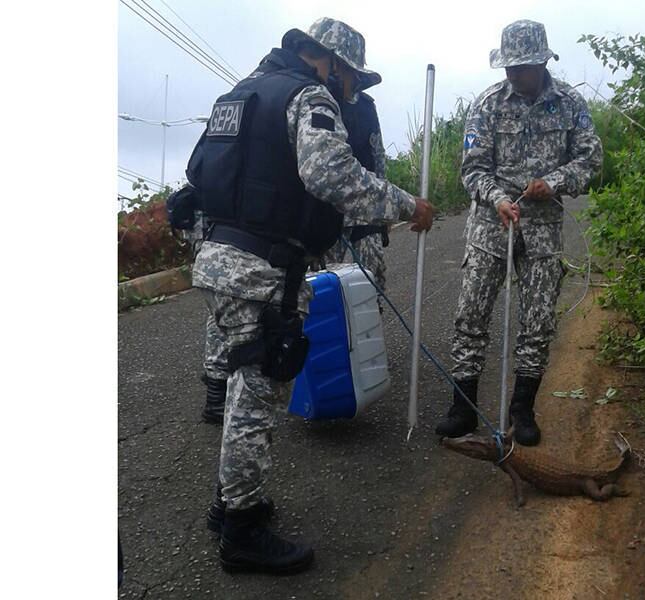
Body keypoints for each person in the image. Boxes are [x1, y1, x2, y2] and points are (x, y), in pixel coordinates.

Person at [187, 17, 434, 574]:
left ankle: (229, 504)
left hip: (219, 259)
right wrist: (406, 206)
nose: (349, 93)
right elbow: (333, 176)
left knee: (241, 387)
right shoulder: (309, 94)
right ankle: (242, 531)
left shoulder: (239, 94)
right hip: (263, 268)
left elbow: (197, 172)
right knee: (258, 393)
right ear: (334, 64)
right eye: (350, 79)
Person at [435, 20, 602, 446]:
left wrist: (556, 183)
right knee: (471, 315)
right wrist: (496, 198)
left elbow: (590, 161)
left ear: (540, 62)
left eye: (520, 67)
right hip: (491, 225)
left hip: (543, 228)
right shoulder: (488, 104)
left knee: (538, 321)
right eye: (507, 67)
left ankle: (522, 410)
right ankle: (464, 408)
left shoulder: (570, 104)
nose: (512, 75)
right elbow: (472, 169)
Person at [323, 69, 390, 294]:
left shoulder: (367, 107)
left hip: (366, 202)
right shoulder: (321, 102)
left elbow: (378, 153)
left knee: (374, 270)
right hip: (329, 206)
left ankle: (371, 318)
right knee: (327, 278)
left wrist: (384, 206)